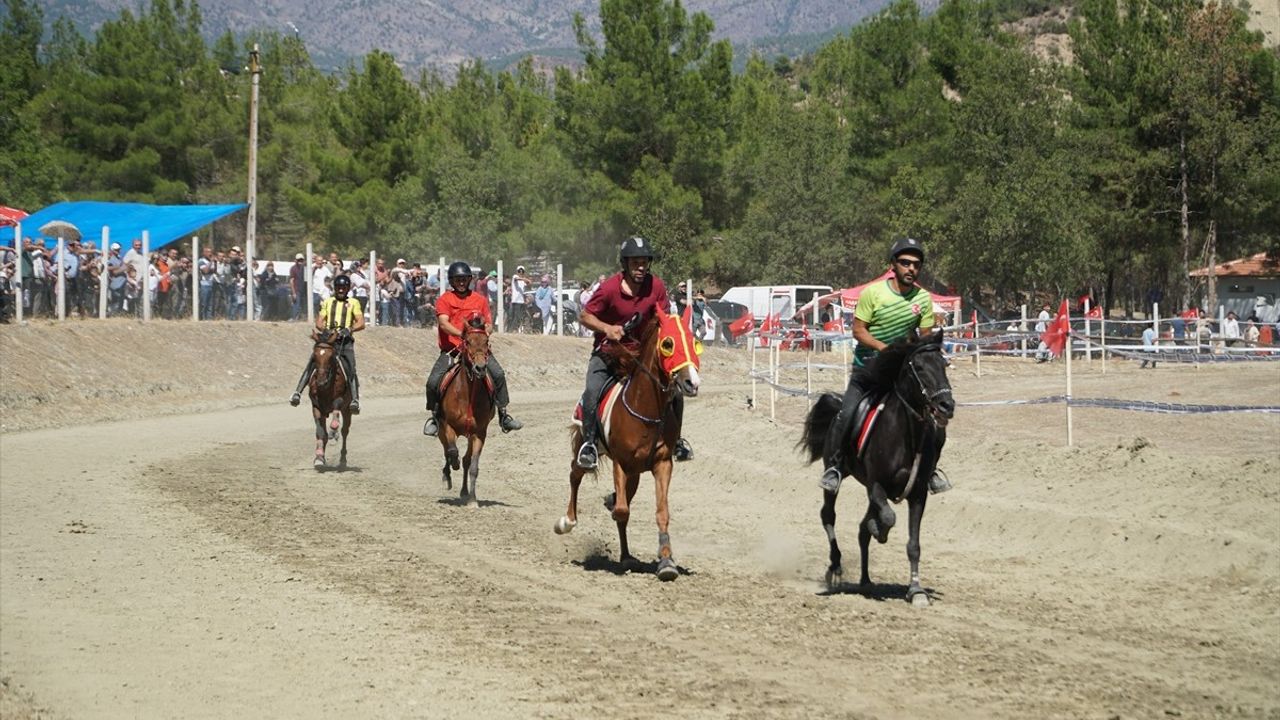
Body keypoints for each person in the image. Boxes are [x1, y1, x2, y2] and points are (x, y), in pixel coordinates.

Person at [819, 237, 950, 495]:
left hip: (901, 374)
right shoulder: (873, 293)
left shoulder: (923, 299)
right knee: (846, 414)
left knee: (935, 419)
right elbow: (859, 331)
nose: (911, 268)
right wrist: (886, 349)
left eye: (916, 264)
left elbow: (924, 339)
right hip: (868, 370)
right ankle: (835, 467)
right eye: (905, 263)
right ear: (893, 264)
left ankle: (931, 470)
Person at [574, 236, 692, 469]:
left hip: (644, 356)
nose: (640, 267)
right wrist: (607, 328)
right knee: (592, 391)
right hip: (609, 353)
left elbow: (664, 318)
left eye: (644, 263)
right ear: (625, 264)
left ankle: (676, 440)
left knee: (675, 392)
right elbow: (585, 316)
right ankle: (589, 444)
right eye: (635, 263)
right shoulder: (609, 288)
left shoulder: (656, 287)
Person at [422, 261, 522, 436]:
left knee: (498, 374)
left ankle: (503, 414)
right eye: (457, 279)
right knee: (433, 382)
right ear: (452, 281)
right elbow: (443, 323)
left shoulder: (480, 300)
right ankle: (435, 417)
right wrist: (463, 335)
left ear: (469, 280)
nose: (461, 282)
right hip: (452, 350)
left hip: (478, 351)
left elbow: (488, 324)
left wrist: (483, 334)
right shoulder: (445, 299)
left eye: (464, 279)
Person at [290, 273, 364, 413]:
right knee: (313, 362)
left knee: (351, 367)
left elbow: (361, 322)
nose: (340, 290)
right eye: (338, 287)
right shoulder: (328, 302)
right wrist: (326, 330)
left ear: (347, 289)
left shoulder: (354, 303)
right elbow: (319, 322)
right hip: (329, 341)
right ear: (335, 288)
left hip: (345, 342)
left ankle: (355, 399)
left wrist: (349, 329)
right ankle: (297, 392)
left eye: (343, 287)